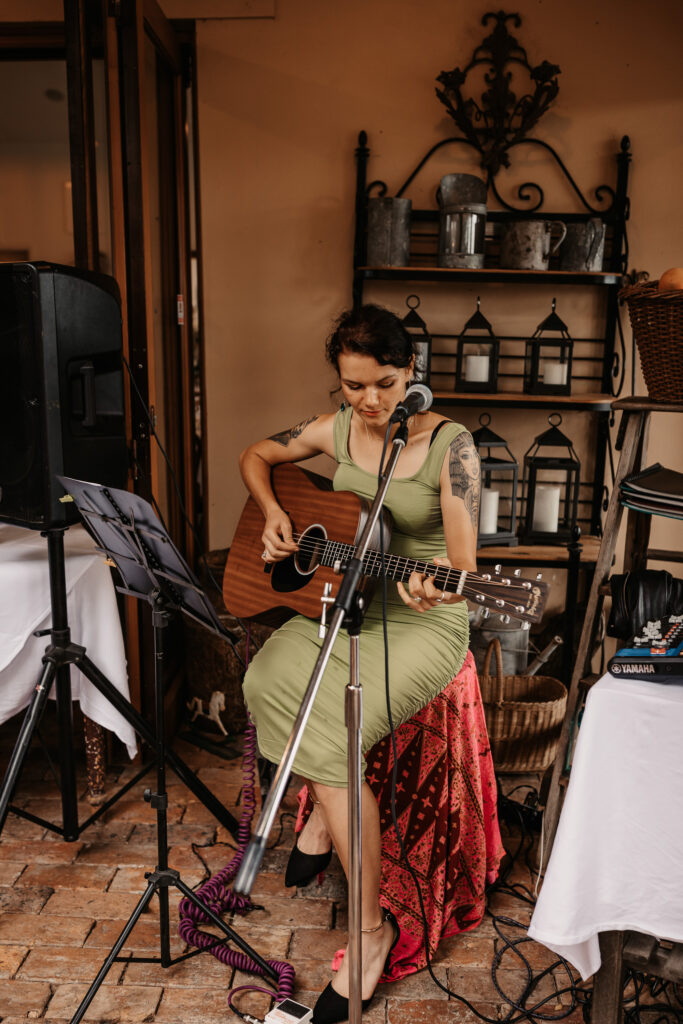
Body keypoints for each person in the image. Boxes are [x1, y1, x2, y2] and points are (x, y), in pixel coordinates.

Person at [239, 304, 480, 1023]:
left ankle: (369, 932)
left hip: (419, 619)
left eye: (382, 384)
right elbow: (257, 455)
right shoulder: (335, 427)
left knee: (334, 732)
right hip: (342, 603)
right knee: (264, 679)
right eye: (352, 386)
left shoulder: (452, 446)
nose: (368, 402)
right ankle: (318, 814)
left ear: (411, 375)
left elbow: (463, 560)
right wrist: (274, 514)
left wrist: (433, 571)